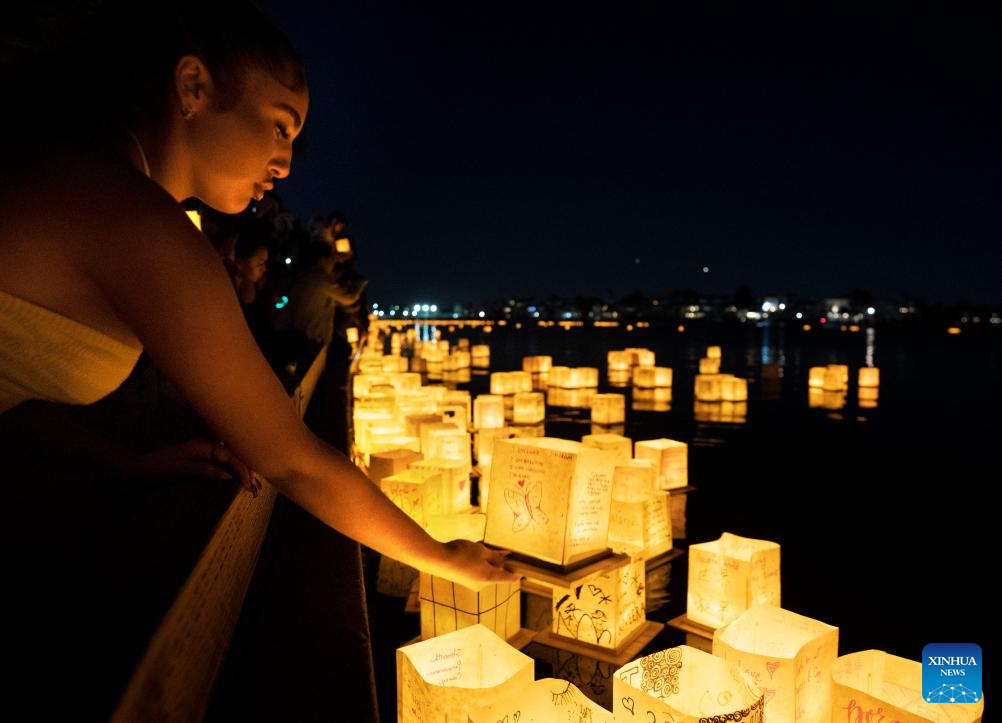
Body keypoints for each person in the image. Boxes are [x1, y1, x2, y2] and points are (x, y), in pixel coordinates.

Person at [0, 0, 513, 594]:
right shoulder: (138, 223)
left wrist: (122, 462)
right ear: (192, 87)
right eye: (279, 124)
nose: (288, 163)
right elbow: (292, 461)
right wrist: (447, 559)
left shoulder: (82, 180)